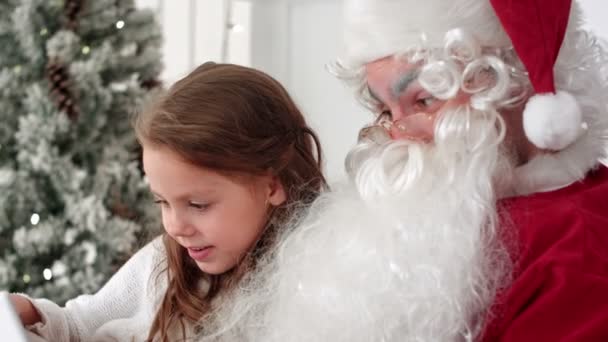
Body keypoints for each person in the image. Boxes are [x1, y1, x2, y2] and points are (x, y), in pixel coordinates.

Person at [202, 0, 608, 341]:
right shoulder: (455, 220)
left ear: (517, 89)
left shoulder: (578, 252)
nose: (398, 135)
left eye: (424, 101)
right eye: (384, 110)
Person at [9, 62, 326, 341]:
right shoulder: (163, 262)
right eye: (162, 202)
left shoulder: (313, 284)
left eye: (198, 205)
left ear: (272, 184)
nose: (175, 226)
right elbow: (78, 326)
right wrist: (26, 313)